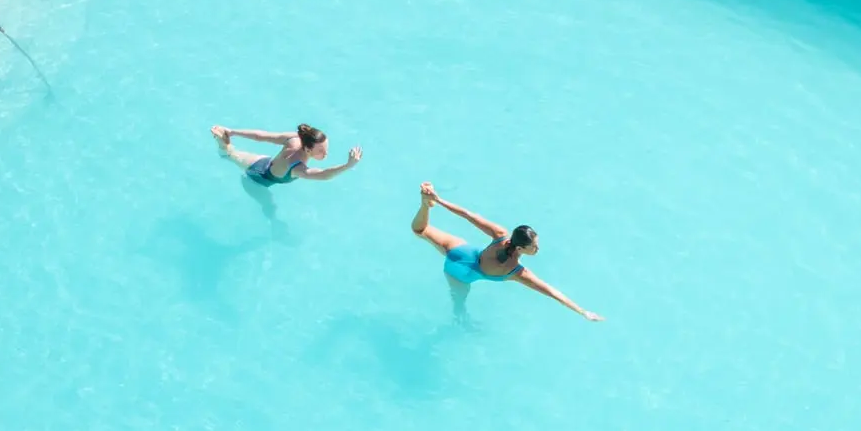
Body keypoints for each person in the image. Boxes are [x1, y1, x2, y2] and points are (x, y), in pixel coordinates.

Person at [410, 182, 603, 321]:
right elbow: (551, 292)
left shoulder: (501, 235)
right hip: (460, 274)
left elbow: (468, 215)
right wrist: (582, 312)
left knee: (421, 230)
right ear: (520, 248)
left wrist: (438, 200)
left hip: (461, 252)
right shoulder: (516, 272)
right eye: (534, 247)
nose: (537, 249)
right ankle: (461, 321)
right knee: (459, 304)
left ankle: (425, 205)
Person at [212, 123, 362, 186]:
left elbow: (261, 136)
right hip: (259, 178)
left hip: (264, 162)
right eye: (321, 151)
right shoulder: (298, 168)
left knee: (231, 153)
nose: (326, 154)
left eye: (326, 148)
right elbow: (323, 174)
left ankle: (224, 139)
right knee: (269, 208)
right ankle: (221, 144)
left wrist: (232, 131)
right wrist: (347, 166)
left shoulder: (294, 139)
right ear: (308, 150)